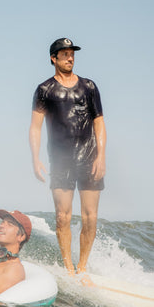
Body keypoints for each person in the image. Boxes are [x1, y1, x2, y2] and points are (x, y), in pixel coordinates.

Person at [29, 37, 106, 278]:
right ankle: (68, 268)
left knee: (90, 217)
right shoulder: (44, 90)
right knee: (62, 217)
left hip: (89, 157)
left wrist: (101, 156)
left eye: (72, 53)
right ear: (54, 58)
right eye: (64, 54)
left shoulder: (89, 87)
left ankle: (82, 267)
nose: (70, 57)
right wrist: (35, 158)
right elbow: (35, 127)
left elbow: (99, 123)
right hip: (61, 160)